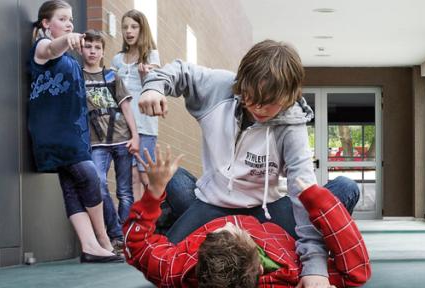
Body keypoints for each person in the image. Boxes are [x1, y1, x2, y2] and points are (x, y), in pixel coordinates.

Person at [137, 40, 361, 286]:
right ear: (241, 83)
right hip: (214, 202)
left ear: (288, 97)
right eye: (251, 97)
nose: (257, 107)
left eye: (269, 102)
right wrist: (154, 87)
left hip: (269, 211)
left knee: (345, 188)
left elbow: (303, 195)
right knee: (171, 182)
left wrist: (315, 268)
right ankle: (172, 226)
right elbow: (179, 71)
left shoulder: (292, 125)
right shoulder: (220, 86)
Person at [123, 145, 371, 287]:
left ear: (200, 256)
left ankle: (172, 225)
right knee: (346, 186)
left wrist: (153, 193)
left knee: (172, 179)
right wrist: (313, 197)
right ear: (259, 264)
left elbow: (135, 247)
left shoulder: (179, 268)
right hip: (275, 223)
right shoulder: (290, 276)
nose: (234, 222)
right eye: (236, 230)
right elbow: (357, 272)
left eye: (219, 234)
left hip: (208, 215)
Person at [28, 0, 123, 263]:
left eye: (71, 19)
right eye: (62, 19)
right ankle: (102, 239)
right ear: (47, 23)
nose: (69, 23)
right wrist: (67, 38)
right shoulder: (42, 47)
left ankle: (89, 246)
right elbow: (51, 48)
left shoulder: (69, 58)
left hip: (75, 131)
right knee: (90, 176)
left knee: (71, 186)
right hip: (56, 132)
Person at [81, 29, 139, 252]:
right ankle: (115, 233)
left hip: (122, 137)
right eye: (88, 46)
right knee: (99, 184)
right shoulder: (78, 76)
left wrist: (135, 137)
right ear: (82, 48)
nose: (93, 51)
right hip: (96, 142)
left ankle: (124, 238)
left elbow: (126, 107)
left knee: (125, 192)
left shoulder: (112, 76)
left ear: (103, 51)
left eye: (97, 47)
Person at [111, 9, 161, 202]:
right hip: (124, 128)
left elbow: (155, 86)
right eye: (125, 27)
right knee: (132, 179)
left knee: (145, 177)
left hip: (145, 126)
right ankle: (136, 226)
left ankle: (154, 221)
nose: (129, 31)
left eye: (133, 27)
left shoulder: (151, 56)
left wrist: (144, 76)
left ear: (142, 29)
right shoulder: (117, 59)